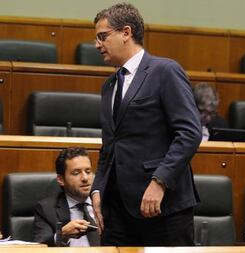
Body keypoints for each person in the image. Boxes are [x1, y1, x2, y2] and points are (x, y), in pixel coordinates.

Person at [92, 3, 202, 246]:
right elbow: (109, 147)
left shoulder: (165, 71)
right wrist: (97, 189)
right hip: (117, 212)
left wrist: (160, 181)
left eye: (102, 36)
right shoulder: (109, 85)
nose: (97, 45)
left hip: (163, 207)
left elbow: (190, 133)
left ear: (126, 32)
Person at [33, 147, 100, 247]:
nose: (85, 178)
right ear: (61, 179)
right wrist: (62, 235)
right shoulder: (46, 209)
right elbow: (39, 247)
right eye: (76, 173)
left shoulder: (106, 204)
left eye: (88, 171)